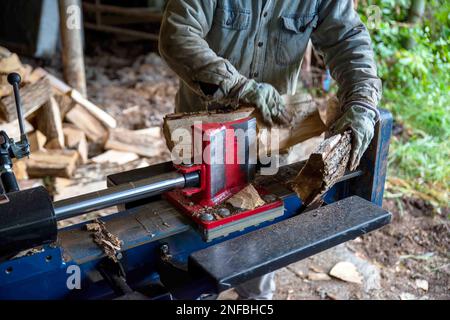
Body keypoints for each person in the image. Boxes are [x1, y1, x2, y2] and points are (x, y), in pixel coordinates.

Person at [159, 0, 382, 300]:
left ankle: (255, 298)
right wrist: (238, 87)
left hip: (272, 138)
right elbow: (176, 35)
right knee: (192, 242)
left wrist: (363, 102)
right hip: (202, 135)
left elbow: (347, 39)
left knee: (260, 242)